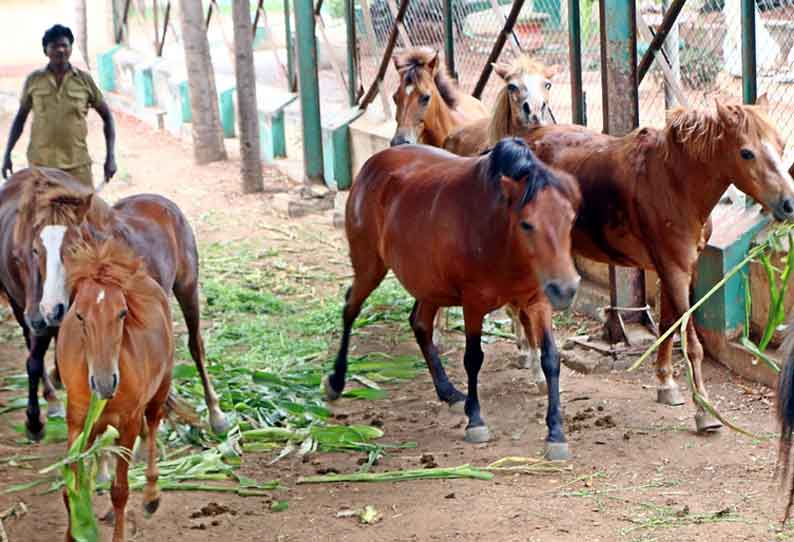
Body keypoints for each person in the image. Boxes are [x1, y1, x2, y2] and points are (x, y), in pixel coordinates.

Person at [2, 24, 116, 188]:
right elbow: (20, 119)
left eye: (65, 45)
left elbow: (107, 118)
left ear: (70, 48)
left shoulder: (84, 80)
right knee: (39, 212)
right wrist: (7, 154)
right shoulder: (34, 80)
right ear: (46, 50)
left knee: (84, 212)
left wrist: (110, 157)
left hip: (77, 167)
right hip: (41, 167)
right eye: (55, 46)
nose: (61, 50)